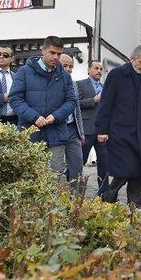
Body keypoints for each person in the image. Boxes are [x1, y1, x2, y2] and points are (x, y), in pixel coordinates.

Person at [95, 44, 141, 207]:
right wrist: (102, 129)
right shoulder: (117, 75)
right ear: (132, 59)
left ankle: (135, 204)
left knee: (139, 170)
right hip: (120, 132)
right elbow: (105, 103)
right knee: (125, 169)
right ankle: (108, 195)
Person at [9, 36, 77, 181]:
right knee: (28, 178)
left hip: (56, 134)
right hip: (29, 133)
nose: (56, 57)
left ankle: (54, 205)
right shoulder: (24, 72)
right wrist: (34, 117)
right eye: (52, 53)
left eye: (59, 54)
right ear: (42, 50)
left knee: (56, 177)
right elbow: (15, 99)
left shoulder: (65, 76)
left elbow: (71, 101)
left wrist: (56, 116)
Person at [76, 60, 109, 193]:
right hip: (87, 128)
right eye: (96, 68)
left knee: (104, 163)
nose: (99, 71)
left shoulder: (105, 87)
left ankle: (104, 192)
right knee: (80, 161)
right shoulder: (80, 84)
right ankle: (73, 189)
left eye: (101, 69)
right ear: (89, 70)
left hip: (102, 131)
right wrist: (93, 101)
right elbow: (75, 102)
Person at [58, 54, 86, 194]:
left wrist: (81, 132)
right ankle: (58, 198)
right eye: (65, 66)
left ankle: (77, 199)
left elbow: (77, 110)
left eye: (71, 66)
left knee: (77, 165)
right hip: (56, 129)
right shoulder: (51, 83)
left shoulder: (73, 84)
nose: (68, 69)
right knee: (56, 166)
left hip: (72, 130)